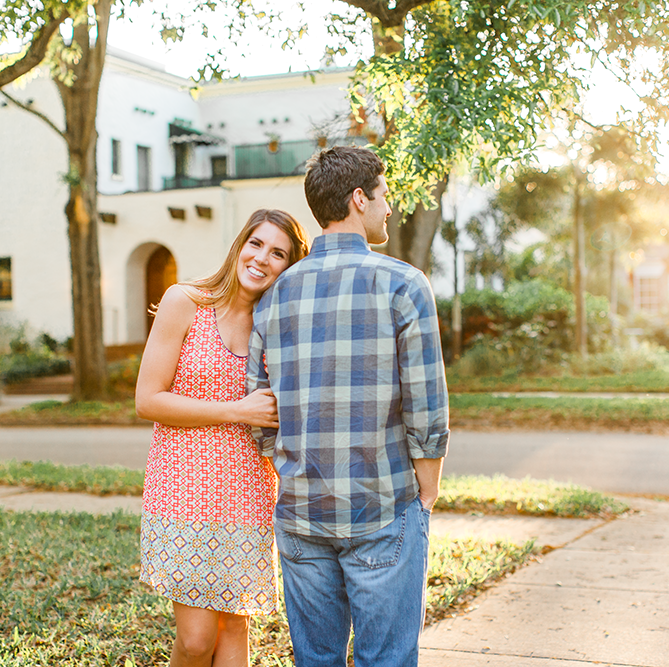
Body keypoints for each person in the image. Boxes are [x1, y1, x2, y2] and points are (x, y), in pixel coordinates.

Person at [246, 146, 450, 667]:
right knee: (387, 659)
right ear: (359, 199)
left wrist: (289, 465)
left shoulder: (272, 297)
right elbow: (426, 404)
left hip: (300, 512)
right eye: (384, 197)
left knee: (316, 661)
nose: (388, 209)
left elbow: (259, 412)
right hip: (383, 506)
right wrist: (426, 490)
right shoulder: (404, 283)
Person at [135, 209, 309, 667]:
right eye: (256, 244)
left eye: (278, 253)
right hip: (181, 489)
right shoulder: (185, 301)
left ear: (288, 267)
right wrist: (236, 410)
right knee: (196, 641)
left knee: (233, 626)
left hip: (248, 492)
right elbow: (147, 400)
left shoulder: (275, 327)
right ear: (239, 245)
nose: (262, 258)